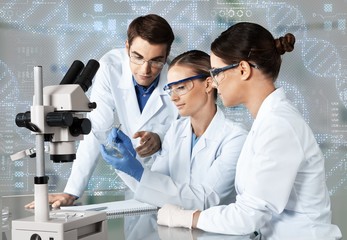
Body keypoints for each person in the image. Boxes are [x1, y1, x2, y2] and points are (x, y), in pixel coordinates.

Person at [157, 22, 343, 240]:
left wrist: (184, 218)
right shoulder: (267, 121)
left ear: (243, 70)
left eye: (216, 72)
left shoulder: (279, 126)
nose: (214, 83)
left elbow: (247, 217)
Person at [25, 14, 178, 208]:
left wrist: (160, 138)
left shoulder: (178, 75)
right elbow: (95, 130)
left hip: (174, 179)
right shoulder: (110, 66)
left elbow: (189, 127)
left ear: (167, 55)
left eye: (156, 61)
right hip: (133, 182)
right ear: (127, 47)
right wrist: (72, 191)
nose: (145, 70)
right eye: (137, 57)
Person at [100, 50, 248, 210]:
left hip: (216, 233)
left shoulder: (235, 138)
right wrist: (131, 162)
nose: (173, 97)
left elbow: (205, 198)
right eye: (171, 89)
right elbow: (156, 189)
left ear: (208, 84)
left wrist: (137, 172)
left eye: (181, 87)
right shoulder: (176, 130)